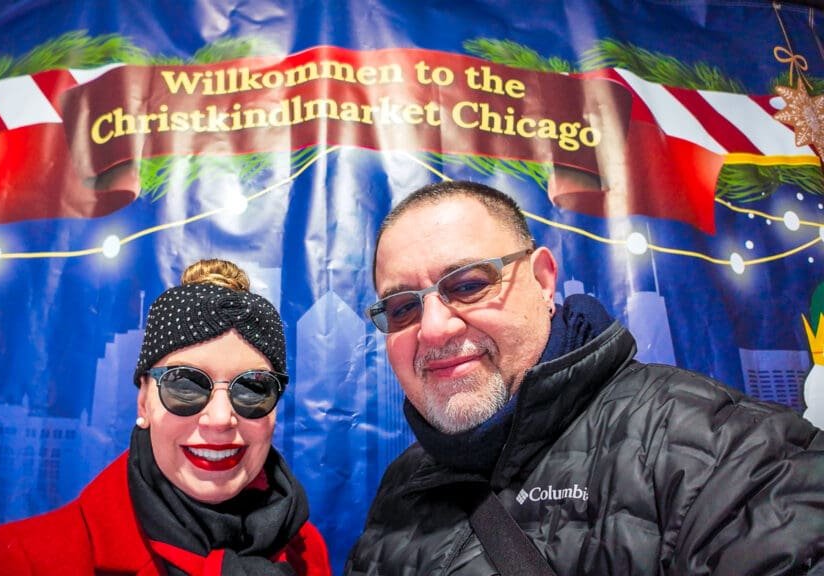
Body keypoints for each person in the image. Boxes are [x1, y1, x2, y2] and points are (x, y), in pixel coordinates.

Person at [345, 180, 824, 575]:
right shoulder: (403, 483)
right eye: (403, 307)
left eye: (468, 285)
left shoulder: (726, 451)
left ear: (544, 280)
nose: (432, 328)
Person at [0, 259, 330, 575]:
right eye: (185, 385)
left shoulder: (306, 549)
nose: (221, 418)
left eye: (252, 389)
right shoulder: (25, 559)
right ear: (144, 402)